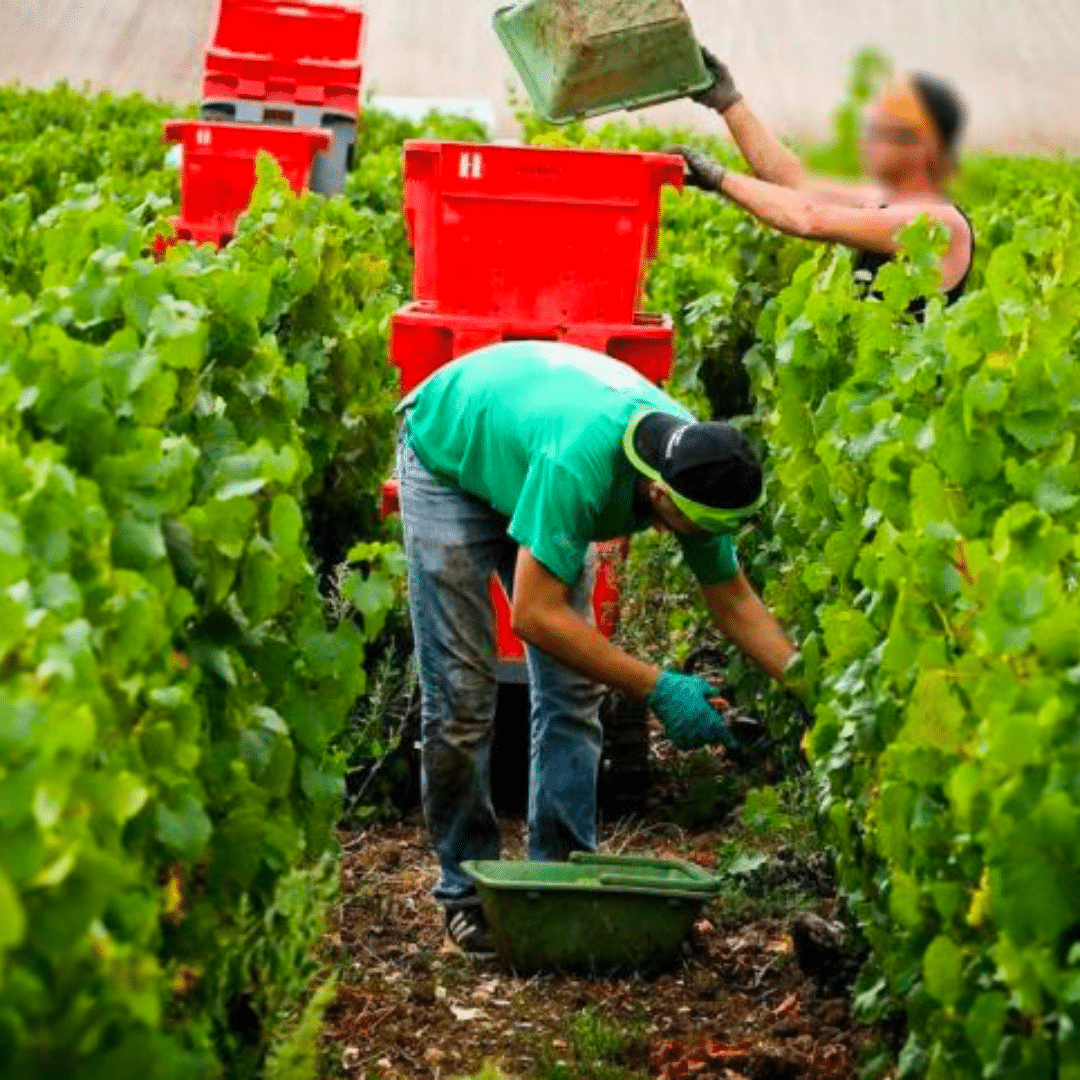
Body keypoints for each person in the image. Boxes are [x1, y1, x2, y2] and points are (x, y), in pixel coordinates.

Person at [397, 340, 797, 952]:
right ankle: (465, 893)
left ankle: (560, 879)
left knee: (573, 692)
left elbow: (734, 599)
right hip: (452, 454)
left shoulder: (700, 465)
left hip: (529, 451)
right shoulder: (581, 466)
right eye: (700, 530)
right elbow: (535, 615)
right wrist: (656, 686)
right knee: (461, 699)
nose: (707, 542)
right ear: (661, 498)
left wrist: (809, 684)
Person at [671, 51, 974, 313]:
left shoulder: (938, 222)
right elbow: (793, 181)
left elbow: (809, 217)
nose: (873, 142)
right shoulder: (885, 199)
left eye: (890, 133)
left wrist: (719, 177)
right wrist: (727, 102)